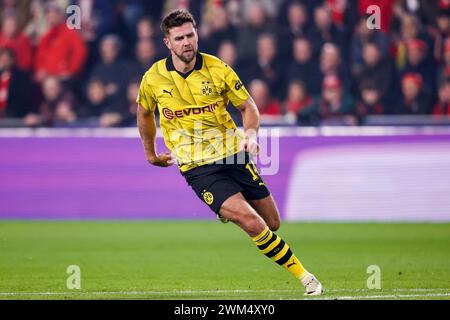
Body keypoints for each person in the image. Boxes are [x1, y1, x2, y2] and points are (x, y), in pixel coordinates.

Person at [136, 9, 324, 296]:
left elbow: (248, 107)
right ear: (168, 43)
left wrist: (249, 135)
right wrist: (150, 153)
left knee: (272, 223)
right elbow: (144, 114)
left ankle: (226, 209)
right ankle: (306, 278)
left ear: (197, 34)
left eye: (190, 35)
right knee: (251, 222)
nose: (187, 42)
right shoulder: (153, 79)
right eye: (179, 38)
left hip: (233, 154)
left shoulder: (218, 69)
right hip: (198, 167)